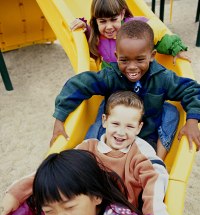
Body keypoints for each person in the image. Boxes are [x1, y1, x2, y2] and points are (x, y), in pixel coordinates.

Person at [1, 91, 190, 215]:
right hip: (86, 211)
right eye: (116, 124)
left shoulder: (140, 152)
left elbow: (155, 177)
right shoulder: (89, 147)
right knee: (55, 195)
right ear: (105, 120)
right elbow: (58, 170)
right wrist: (17, 192)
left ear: (139, 128)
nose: (121, 132)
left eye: (130, 126)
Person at [51, 20, 200, 158]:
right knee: (103, 113)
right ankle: (90, 157)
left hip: (146, 137)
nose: (132, 67)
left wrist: (192, 121)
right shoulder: (111, 76)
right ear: (117, 57)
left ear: (152, 56)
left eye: (140, 59)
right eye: (124, 60)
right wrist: (60, 118)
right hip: (114, 137)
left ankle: (157, 160)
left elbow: (192, 89)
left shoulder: (162, 78)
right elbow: (78, 84)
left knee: (171, 111)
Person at [0, 150, 190, 215]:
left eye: (69, 206)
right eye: (49, 211)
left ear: (96, 196)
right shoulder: (55, 210)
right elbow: (34, 203)